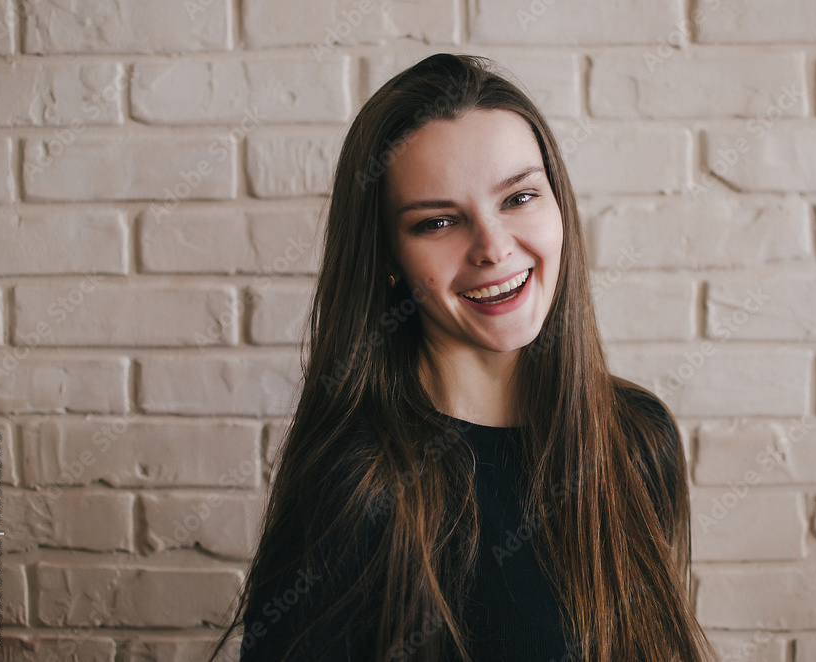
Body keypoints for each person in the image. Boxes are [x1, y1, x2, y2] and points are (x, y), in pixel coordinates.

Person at [210, 53, 714, 662]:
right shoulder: (356, 485)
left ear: (559, 209)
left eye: (519, 197)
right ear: (388, 259)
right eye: (440, 221)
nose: (494, 248)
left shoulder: (638, 437)